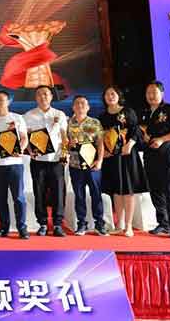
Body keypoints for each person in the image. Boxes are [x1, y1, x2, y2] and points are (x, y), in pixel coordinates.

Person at [99, 86, 148, 238]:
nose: (110, 96)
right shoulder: (102, 116)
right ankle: (119, 224)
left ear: (119, 96)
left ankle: (128, 226)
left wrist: (130, 144)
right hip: (111, 158)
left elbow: (136, 130)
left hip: (127, 156)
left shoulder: (127, 112)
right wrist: (104, 152)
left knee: (128, 190)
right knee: (116, 190)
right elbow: (101, 138)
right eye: (107, 94)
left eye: (113, 93)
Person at [141, 81, 170, 239]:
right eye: (148, 93)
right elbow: (143, 132)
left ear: (162, 93)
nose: (151, 96)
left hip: (169, 157)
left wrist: (161, 139)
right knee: (156, 192)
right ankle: (163, 223)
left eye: (154, 92)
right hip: (150, 158)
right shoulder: (145, 113)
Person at [23, 85, 68, 237]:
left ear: (51, 97)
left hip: (56, 159)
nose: (43, 97)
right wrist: (29, 151)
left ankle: (57, 224)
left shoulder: (59, 114)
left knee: (58, 193)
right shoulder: (28, 116)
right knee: (39, 192)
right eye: (39, 94)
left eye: (46, 94)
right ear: (36, 97)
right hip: (38, 160)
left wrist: (65, 153)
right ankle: (42, 223)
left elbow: (64, 136)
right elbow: (25, 137)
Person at [0, 91, 30, 240]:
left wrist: (21, 149)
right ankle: (3, 227)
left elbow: (24, 138)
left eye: (1, 99)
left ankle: (22, 228)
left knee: (18, 197)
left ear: (8, 101)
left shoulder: (17, 118)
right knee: (0, 198)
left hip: (14, 163)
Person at [67, 95, 108, 236]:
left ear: (88, 107)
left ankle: (99, 224)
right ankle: (81, 224)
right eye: (77, 103)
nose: (80, 106)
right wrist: (69, 144)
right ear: (73, 107)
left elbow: (100, 143)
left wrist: (100, 160)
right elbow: (64, 144)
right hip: (75, 165)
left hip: (92, 165)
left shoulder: (94, 123)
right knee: (79, 196)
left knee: (96, 194)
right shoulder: (68, 123)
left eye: (83, 103)